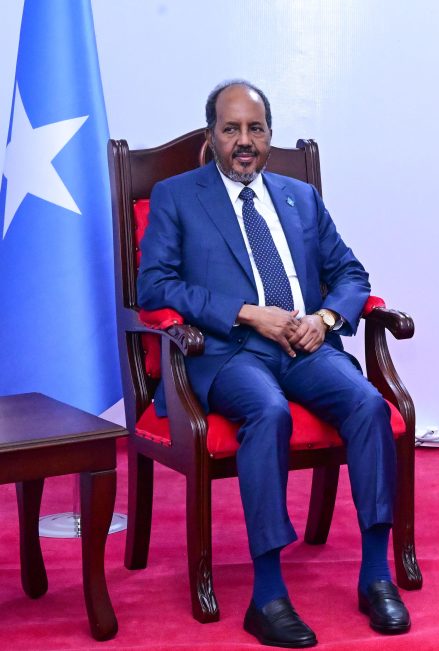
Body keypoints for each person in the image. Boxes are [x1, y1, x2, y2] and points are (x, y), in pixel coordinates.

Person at [138, 80, 410, 647]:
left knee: (367, 405)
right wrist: (245, 314)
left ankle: (376, 575)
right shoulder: (176, 195)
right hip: (224, 351)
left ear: (269, 135)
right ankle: (267, 595)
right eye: (231, 129)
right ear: (210, 137)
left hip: (304, 345)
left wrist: (326, 321)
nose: (244, 141)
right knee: (268, 412)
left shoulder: (299, 196)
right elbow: (155, 284)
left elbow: (351, 274)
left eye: (255, 129)